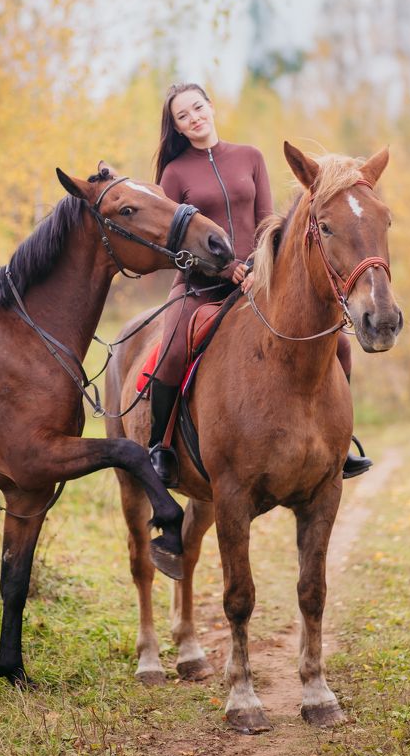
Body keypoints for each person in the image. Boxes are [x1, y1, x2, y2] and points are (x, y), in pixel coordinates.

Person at [148, 82, 371, 487]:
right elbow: (169, 242)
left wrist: (254, 267)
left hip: (258, 280)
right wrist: (222, 268)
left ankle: (340, 441)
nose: (194, 118)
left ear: (211, 107)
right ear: (177, 128)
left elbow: (271, 223)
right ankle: (159, 447)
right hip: (199, 286)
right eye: (183, 116)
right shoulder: (174, 173)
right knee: (173, 349)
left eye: (198, 108)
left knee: (337, 342)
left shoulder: (249, 157)